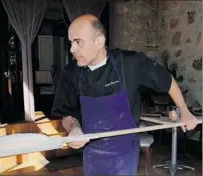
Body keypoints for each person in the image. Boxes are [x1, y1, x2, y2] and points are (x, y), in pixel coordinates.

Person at [51, 14, 198, 176]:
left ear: (99, 41)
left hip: (125, 155)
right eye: (71, 42)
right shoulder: (71, 72)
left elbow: (167, 80)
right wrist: (74, 128)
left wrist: (184, 112)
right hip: (92, 155)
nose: (72, 49)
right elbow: (66, 114)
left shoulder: (129, 63)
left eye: (78, 42)